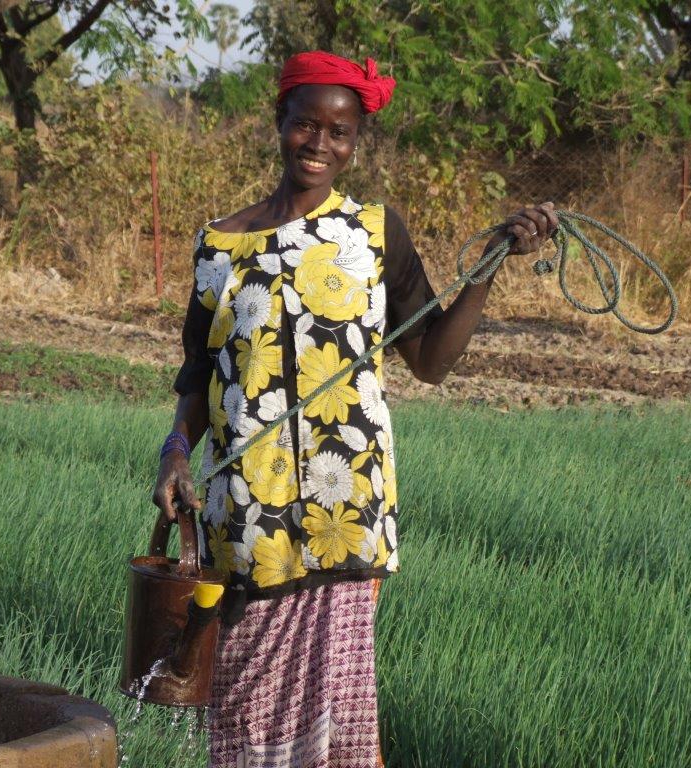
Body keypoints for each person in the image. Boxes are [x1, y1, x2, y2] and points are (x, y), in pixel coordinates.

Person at [152, 50, 559, 768]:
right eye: (305, 125)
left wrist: (492, 260)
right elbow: (198, 376)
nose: (320, 144)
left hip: (347, 514)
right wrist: (175, 451)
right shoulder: (219, 245)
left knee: (338, 725)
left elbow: (430, 360)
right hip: (246, 515)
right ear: (278, 121)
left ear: (355, 141)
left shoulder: (373, 234)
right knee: (243, 718)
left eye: (339, 132)